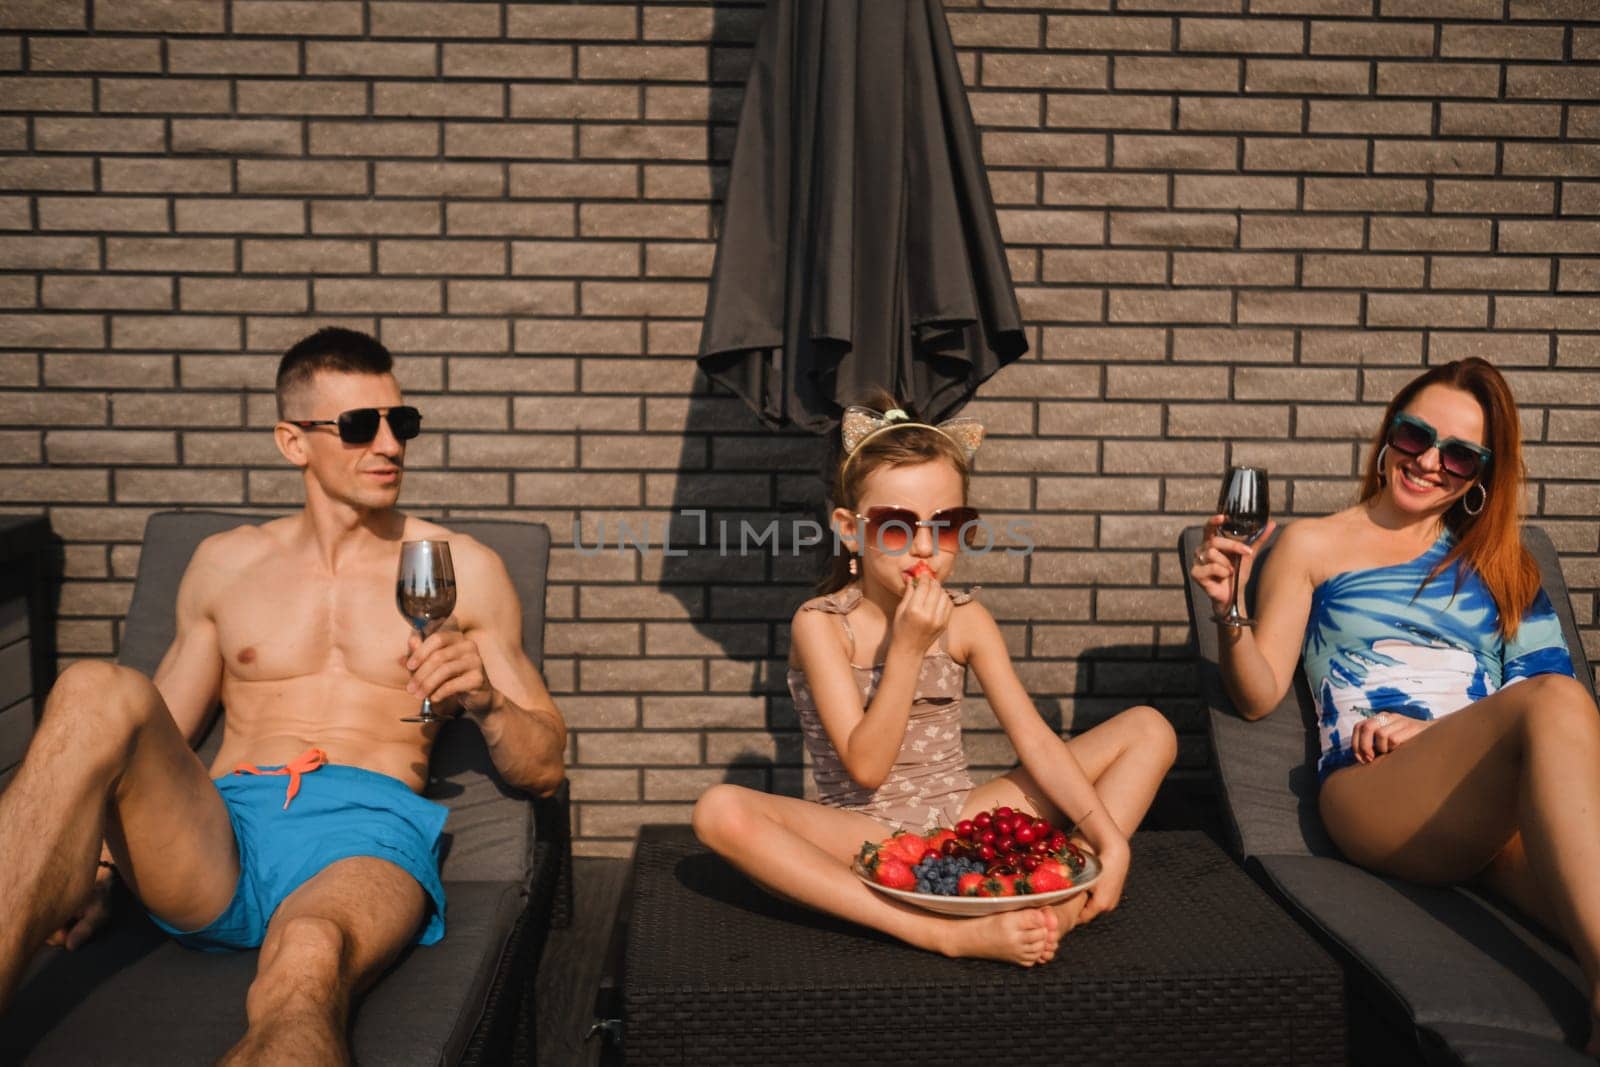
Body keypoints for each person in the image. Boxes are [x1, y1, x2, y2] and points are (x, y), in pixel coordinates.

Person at [0, 327, 567, 1062]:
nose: (391, 445)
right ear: (292, 441)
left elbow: (547, 764)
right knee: (91, 687)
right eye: (361, 426)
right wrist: (103, 870)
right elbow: (145, 732)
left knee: (308, 956)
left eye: (404, 422)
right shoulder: (225, 564)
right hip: (223, 831)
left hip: (366, 830)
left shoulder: (464, 568)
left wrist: (487, 701)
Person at [1189, 357, 1600, 1051]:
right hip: (1375, 787)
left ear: (1481, 475)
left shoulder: (1505, 567)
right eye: (1415, 437)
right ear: (1389, 436)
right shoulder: (1313, 543)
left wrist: (1439, 729)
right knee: (1554, 701)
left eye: (1460, 455)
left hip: (1487, 810)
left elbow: (1555, 699)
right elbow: (1257, 695)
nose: (1429, 462)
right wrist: (1231, 612)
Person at [694, 397, 1177, 967]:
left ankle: (1061, 900)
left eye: (946, 526)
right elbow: (865, 767)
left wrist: (1108, 839)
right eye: (896, 527)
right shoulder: (823, 625)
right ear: (851, 531)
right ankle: (935, 933)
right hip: (861, 833)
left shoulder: (967, 617)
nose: (924, 547)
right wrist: (908, 648)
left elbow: (1035, 740)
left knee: (1150, 729)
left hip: (961, 819)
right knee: (719, 811)